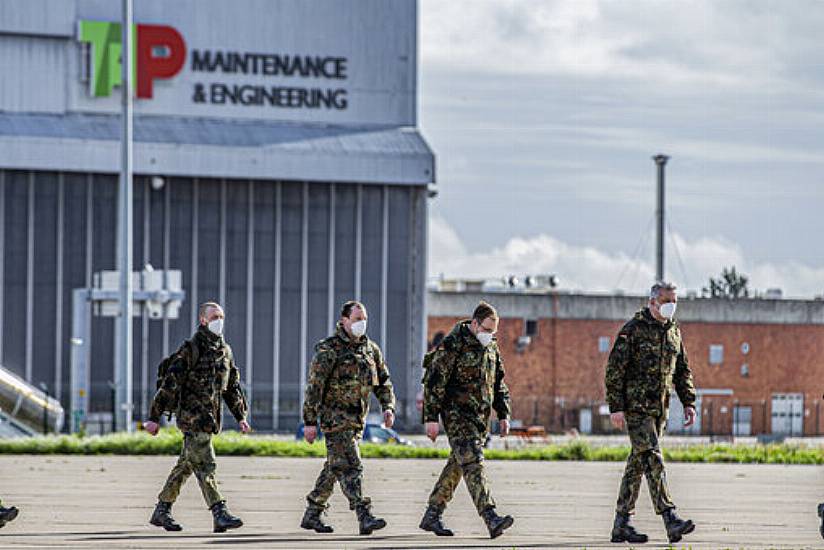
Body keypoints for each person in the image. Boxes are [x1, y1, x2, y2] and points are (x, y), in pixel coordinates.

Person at [144, 301, 250, 533]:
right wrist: (154, 417)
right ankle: (219, 512)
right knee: (206, 464)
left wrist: (241, 416)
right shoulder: (190, 349)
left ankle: (162, 511)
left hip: (211, 420)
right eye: (214, 317)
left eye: (221, 316)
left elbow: (231, 388)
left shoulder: (225, 352)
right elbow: (170, 385)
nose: (218, 321)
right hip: (192, 419)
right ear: (203, 320)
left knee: (186, 465)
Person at [605, 282, 697, 544]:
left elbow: (682, 370)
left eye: (674, 300)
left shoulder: (673, 331)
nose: (672, 305)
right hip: (637, 409)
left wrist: (689, 402)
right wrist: (616, 407)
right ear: (653, 302)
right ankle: (670, 517)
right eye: (667, 300)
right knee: (653, 458)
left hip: (660, 410)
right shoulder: (632, 331)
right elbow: (614, 371)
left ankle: (621, 523)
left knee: (638, 463)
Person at [300, 300, 396, 535]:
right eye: (356, 319)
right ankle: (364, 515)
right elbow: (314, 387)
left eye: (364, 320)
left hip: (357, 421)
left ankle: (312, 513)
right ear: (344, 321)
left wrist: (388, 407)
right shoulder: (328, 349)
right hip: (335, 419)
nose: (361, 324)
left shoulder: (370, 350)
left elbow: (383, 382)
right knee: (353, 466)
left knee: (335, 467)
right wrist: (310, 422)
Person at [420, 301, 514, 539]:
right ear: (474, 323)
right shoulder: (453, 344)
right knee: (473, 463)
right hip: (456, 415)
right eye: (486, 329)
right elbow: (434, 381)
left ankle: (433, 513)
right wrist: (430, 417)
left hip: (479, 418)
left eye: (493, 331)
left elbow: (498, 383)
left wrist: (503, 414)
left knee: (458, 466)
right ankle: (490, 516)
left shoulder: (491, 347)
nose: (489, 335)